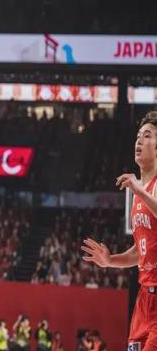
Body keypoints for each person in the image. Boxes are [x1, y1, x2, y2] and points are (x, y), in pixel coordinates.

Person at [82, 111, 157, 350]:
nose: (139, 140)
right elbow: (139, 251)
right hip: (145, 298)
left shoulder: (146, 189)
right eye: (138, 136)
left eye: (147, 135)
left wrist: (139, 190)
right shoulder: (139, 193)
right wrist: (109, 261)